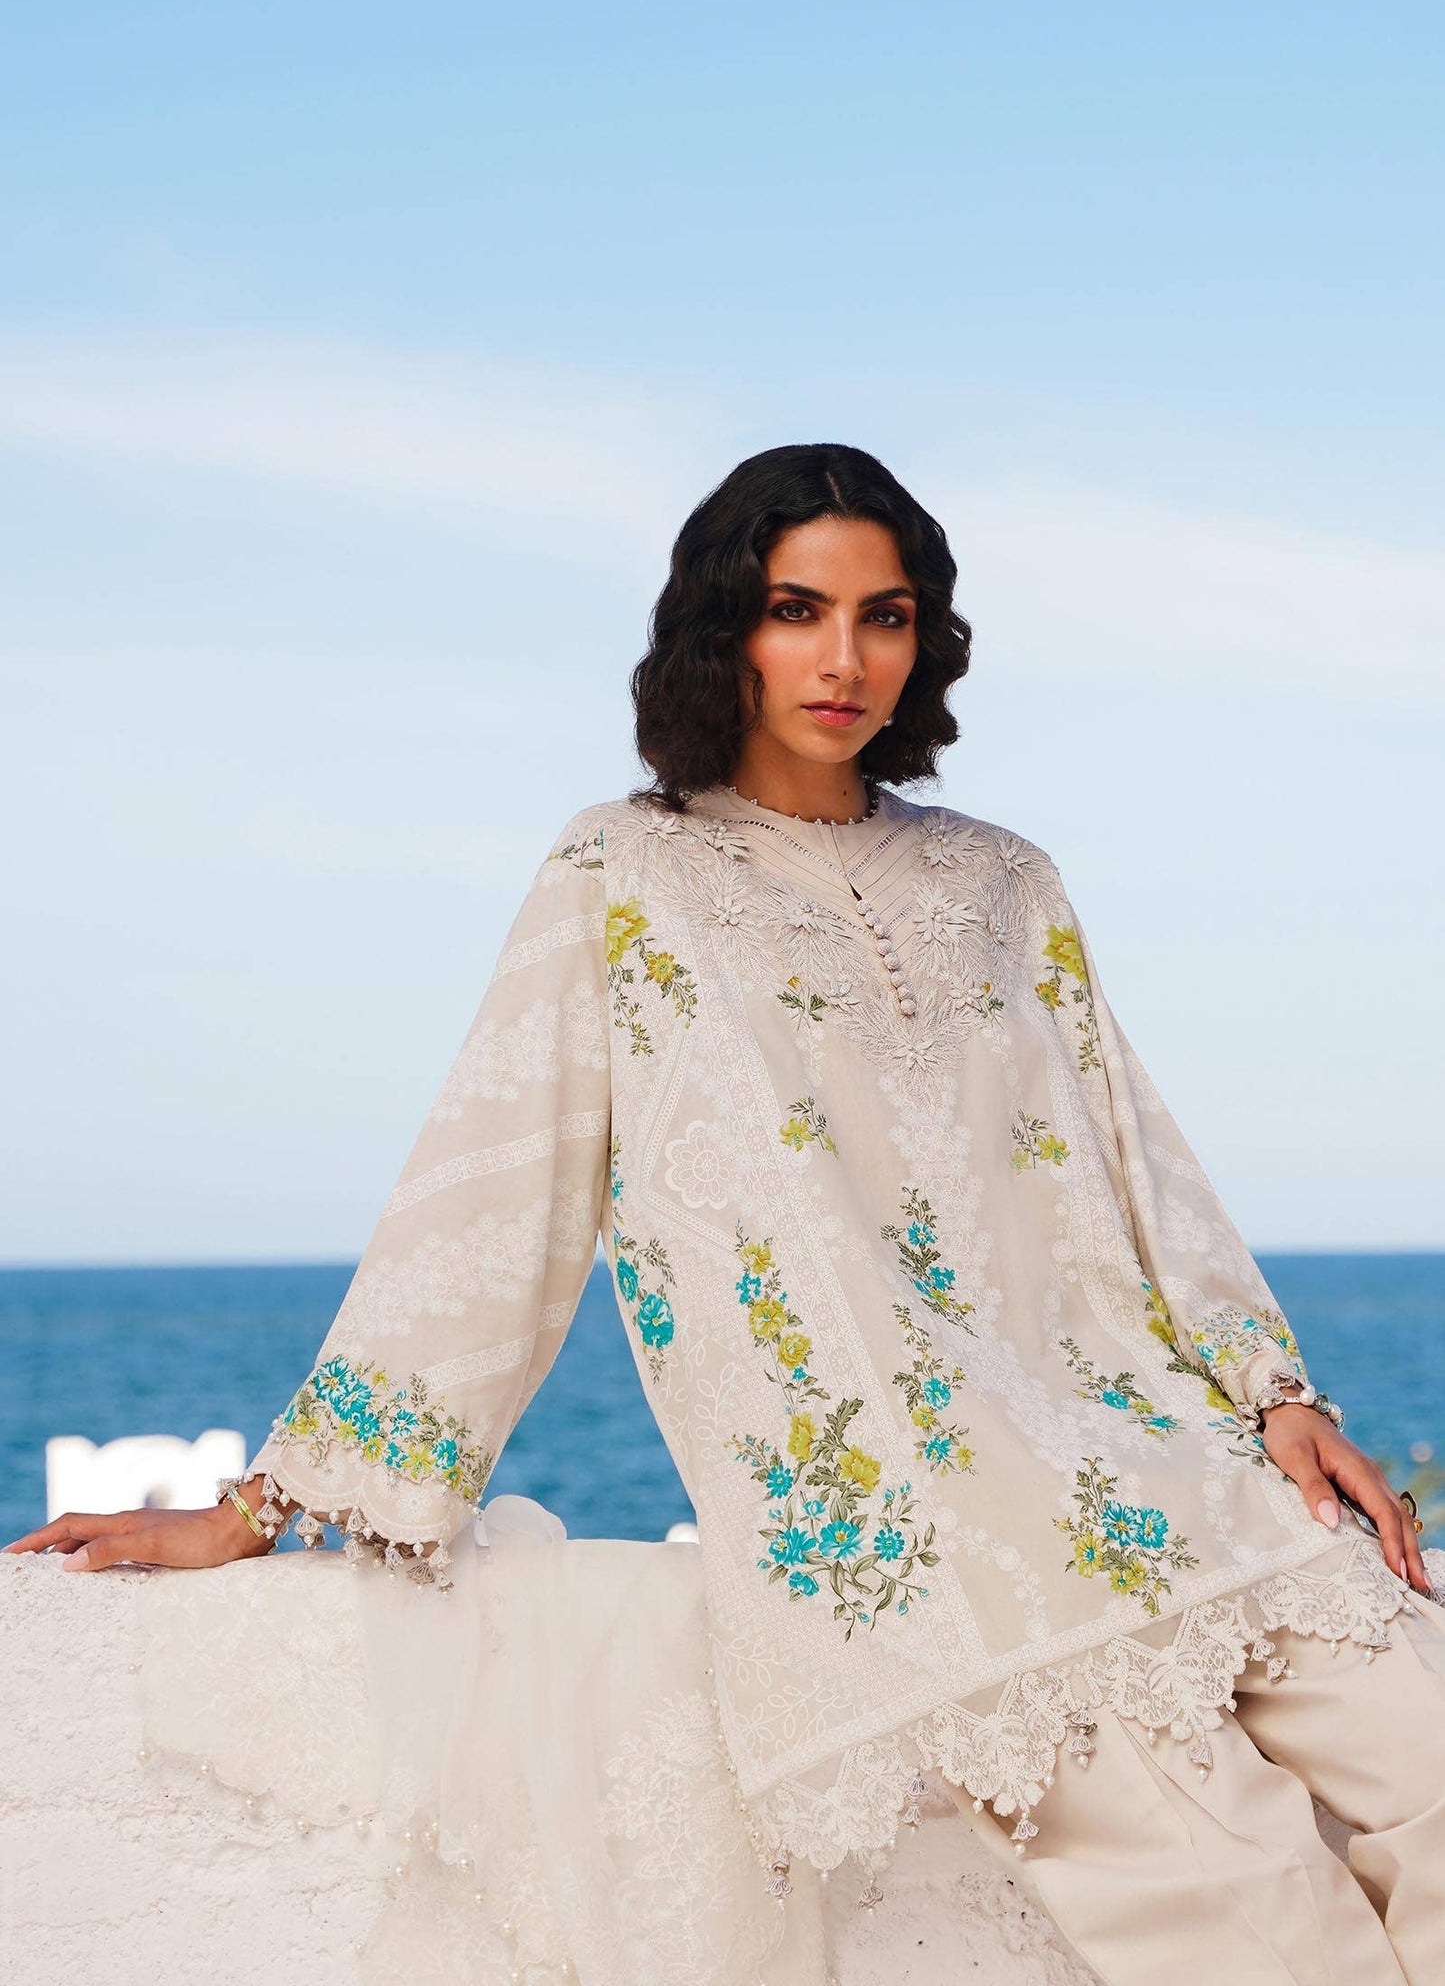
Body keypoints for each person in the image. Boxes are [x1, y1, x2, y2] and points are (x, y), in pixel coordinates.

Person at [7, 443, 1443, 1986]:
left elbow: (1128, 1154)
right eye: (794, 610)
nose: (843, 659)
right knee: (1254, 1917)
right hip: (932, 1536)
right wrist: (257, 1510)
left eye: (883, 616)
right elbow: (492, 1194)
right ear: (721, 629)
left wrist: (1274, 1394)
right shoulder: (622, 873)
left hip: (1173, 1462)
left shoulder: (1004, 880)